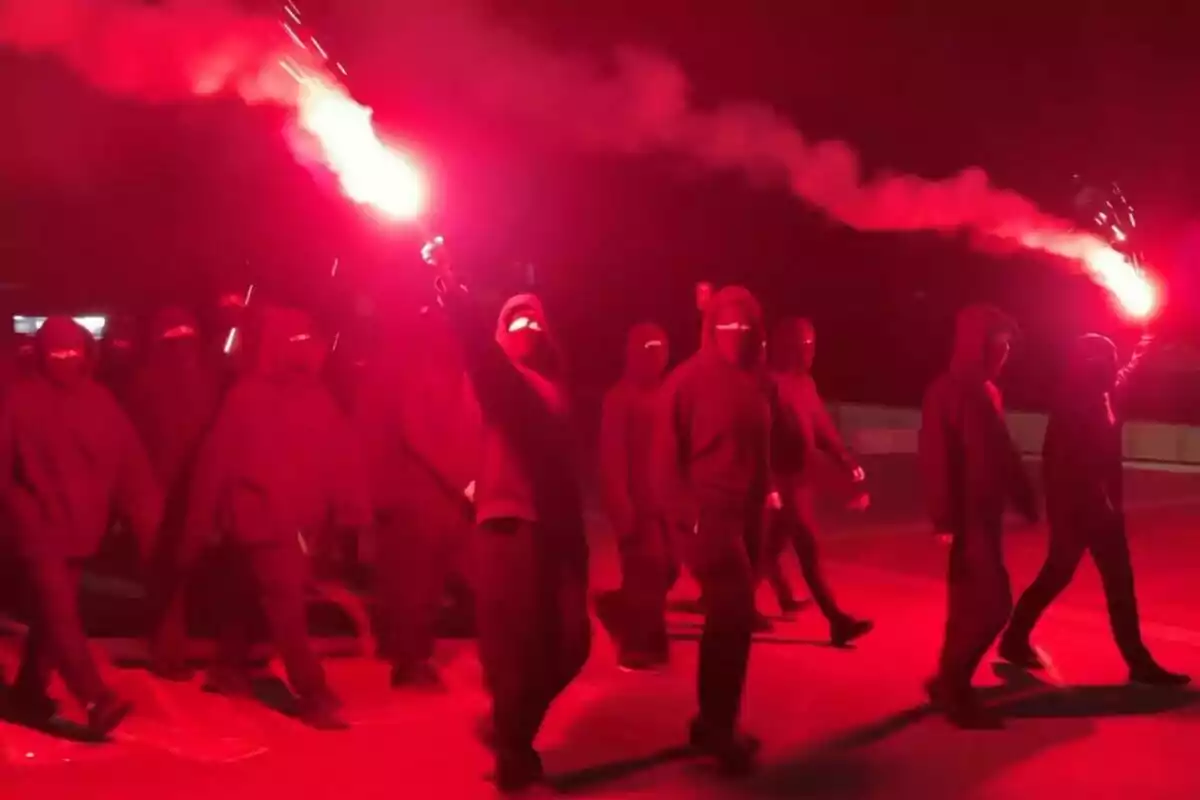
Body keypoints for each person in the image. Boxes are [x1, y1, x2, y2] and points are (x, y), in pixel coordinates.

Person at [426, 238, 590, 794]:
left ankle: (510, 728)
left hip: (557, 533)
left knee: (572, 643)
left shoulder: (554, 389)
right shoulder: (497, 382)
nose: (525, 328)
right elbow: (481, 357)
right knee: (517, 650)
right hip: (508, 529)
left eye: (532, 320)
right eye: (513, 320)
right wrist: (454, 291)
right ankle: (515, 756)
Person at [187, 305, 370, 730]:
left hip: (284, 519)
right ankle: (312, 692)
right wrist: (199, 522)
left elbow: (337, 457)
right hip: (266, 520)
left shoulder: (293, 397)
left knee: (248, 591)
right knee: (286, 608)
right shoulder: (259, 397)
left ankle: (227, 668)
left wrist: (347, 506)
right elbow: (218, 463)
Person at [0, 317, 161, 737]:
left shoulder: (87, 400)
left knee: (52, 618)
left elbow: (129, 466)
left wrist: (145, 520)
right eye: (60, 352)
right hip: (40, 529)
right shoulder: (28, 400)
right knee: (62, 615)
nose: (65, 361)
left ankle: (27, 695)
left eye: (71, 352)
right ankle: (95, 697)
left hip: (73, 529)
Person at [999, 333, 1189, 685]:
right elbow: (1062, 463)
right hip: (1081, 510)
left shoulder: (1103, 393)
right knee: (1095, 579)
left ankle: (1015, 639)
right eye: (1108, 358)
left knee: (1069, 576)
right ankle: (1137, 661)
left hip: (1097, 510)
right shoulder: (1075, 402)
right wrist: (1093, 504)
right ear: (1090, 363)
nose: (1114, 364)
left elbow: (1125, 377)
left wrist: (1144, 348)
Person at [652, 285, 770, 772]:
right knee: (735, 614)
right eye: (726, 326)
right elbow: (662, 461)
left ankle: (710, 722)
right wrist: (689, 515)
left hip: (742, 516)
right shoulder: (686, 381)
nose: (735, 335)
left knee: (729, 622)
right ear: (710, 328)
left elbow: (761, 456)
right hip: (706, 517)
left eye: (745, 328)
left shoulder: (755, 383)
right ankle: (718, 729)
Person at [919, 304, 1038, 729]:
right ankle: (955, 686)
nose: (1004, 355)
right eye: (998, 346)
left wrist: (1025, 499)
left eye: (1007, 347)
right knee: (992, 605)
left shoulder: (989, 392)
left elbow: (1003, 453)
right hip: (966, 520)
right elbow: (936, 457)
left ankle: (947, 683)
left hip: (986, 518)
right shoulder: (946, 392)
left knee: (968, 606)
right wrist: (944, 519)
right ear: (978, 346)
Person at [356, 307, 480, 690]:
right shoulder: (423, 371)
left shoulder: (407, 366)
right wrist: (465, 479)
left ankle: (403, 649)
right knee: (418, 583)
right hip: (422, 497)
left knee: (414, 580)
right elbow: (421, 431)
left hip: (417, 497)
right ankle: (410, 661)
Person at [761, 317, 873, 646]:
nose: (811, 353)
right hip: (782, 480)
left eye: (812, 346)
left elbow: (822, 428)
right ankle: (836, 620)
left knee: (768, 550)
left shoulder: (804, 384)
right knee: (808, 547)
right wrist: (768, 485)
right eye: (806, 346)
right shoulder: (769, 385)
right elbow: (758, 438)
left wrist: (846, 460)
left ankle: (731, 604)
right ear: (791, 348)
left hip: (800, 478)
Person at [129, 308, 223, 681]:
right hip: (164, 489)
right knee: (170, 570)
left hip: (183, 488)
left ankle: (173, 646)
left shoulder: (201, 381)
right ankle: (171, 650)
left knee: (174, 569)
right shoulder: (164, 382)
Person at [595, 323, 675, 671]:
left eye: (660, 347)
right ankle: (641, 644)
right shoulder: (620, 399)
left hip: (667, 508)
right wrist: (622, 509)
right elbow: (612, 458)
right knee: (649, 571)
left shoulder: (669, 395)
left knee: (668, 569)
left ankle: (619, 608)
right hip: (638, 508)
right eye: (647, 347)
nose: (654, 355)